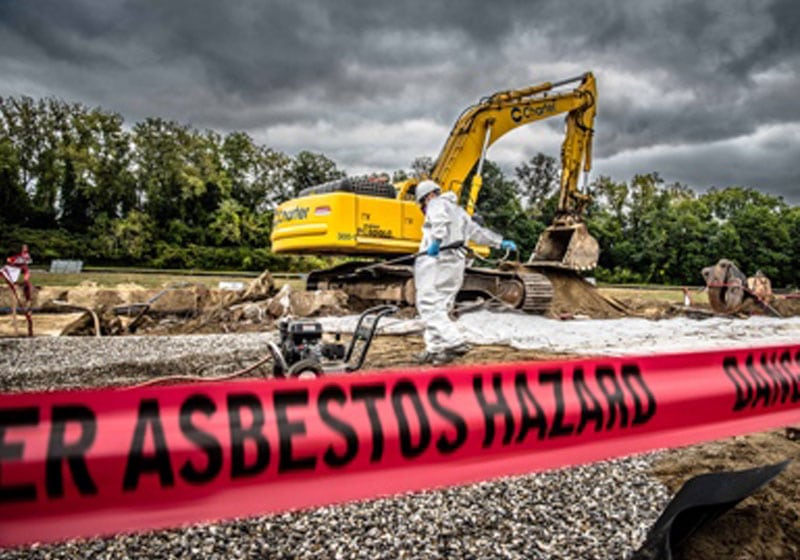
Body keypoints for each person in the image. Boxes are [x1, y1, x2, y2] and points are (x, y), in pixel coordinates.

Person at [413, 180, 517, 365]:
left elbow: (439, 222)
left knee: (428, 305)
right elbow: (478, 233)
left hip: (438, 262)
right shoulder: (459, 211)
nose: (423, 207)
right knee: (441, 306)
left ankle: (455, 342)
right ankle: (435, 349)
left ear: (428, 196)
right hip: (455, 263)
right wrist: (500, 242)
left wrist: (436, 241)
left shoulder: (436, 203)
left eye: (422, 202)